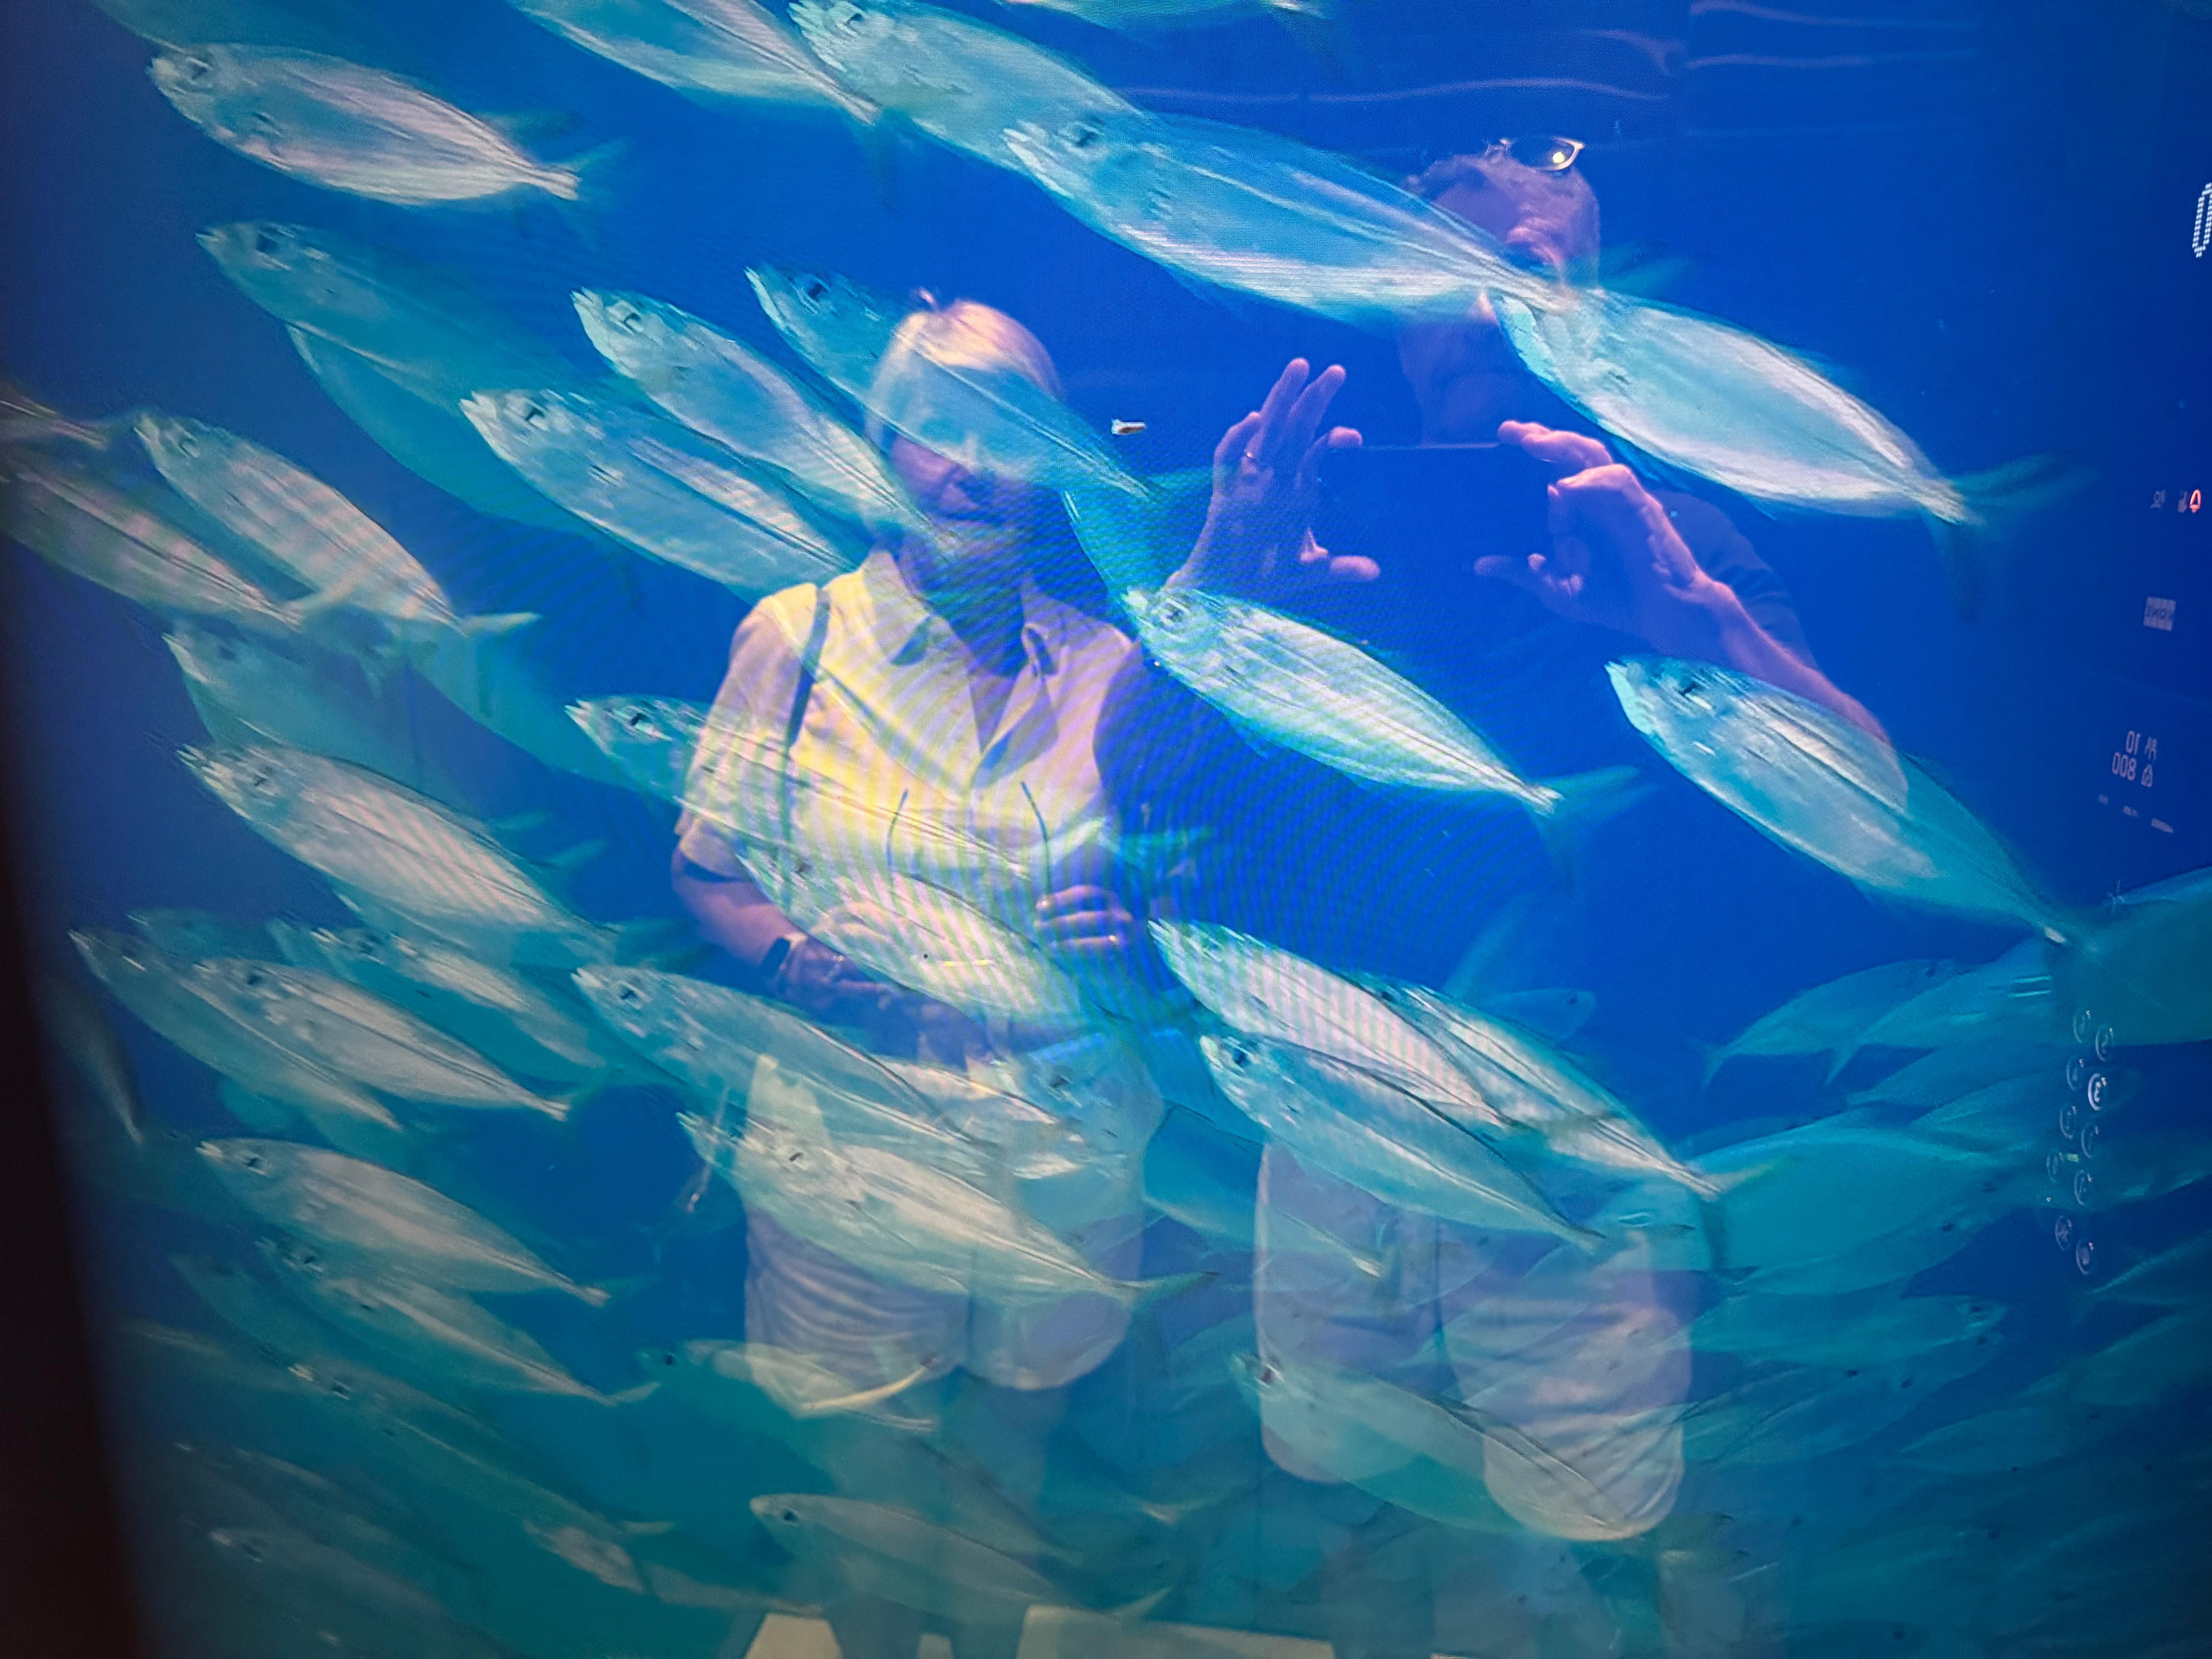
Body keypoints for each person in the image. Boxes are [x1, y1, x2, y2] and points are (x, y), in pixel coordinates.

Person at [1099, 140, 1842, 1655]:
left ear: (1596, 301)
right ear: (1391, 306)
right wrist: (1223, 593)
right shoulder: (1301, 516)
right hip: (1330, 1103)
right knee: (1352, 1514)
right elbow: (1136, 781)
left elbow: (1868, 807)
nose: (1493, 308)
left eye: (1537, 269)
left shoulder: (1677, 533)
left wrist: (1697, 622)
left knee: (1567, 1556)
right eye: (1451, 276)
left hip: (1584, 1138)